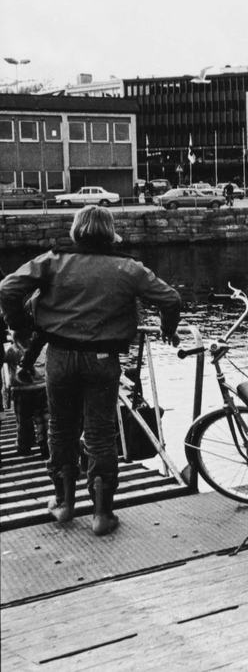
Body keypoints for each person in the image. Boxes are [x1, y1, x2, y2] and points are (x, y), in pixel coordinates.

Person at [0, 206, 182, 535]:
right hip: (102, 360)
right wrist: (169, 330)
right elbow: (171, 299)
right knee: (100, 434)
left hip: (60, 357)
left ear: (76, 230)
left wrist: (18, 329)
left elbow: (8, 288)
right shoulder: (129, 268)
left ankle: (64, 503)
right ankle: (102, 514)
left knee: (61, 430)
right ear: (109, 232)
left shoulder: (53, 261)